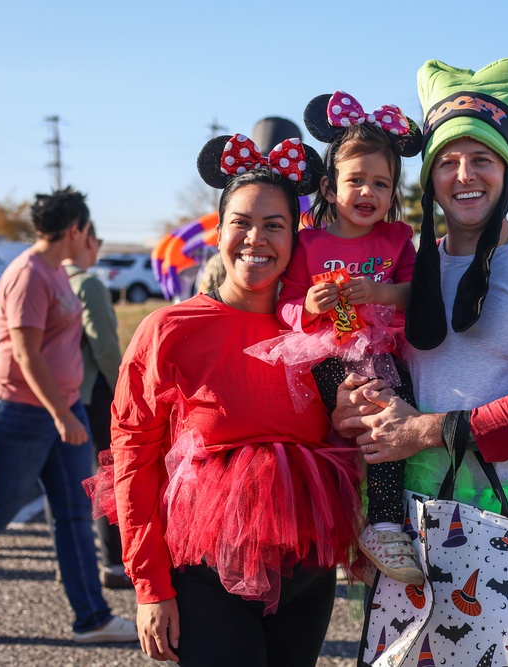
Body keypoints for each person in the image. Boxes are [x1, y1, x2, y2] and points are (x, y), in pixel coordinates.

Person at [335, 58, 508, 666]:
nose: (464, 175)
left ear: (507, 171)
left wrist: (424, 430)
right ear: (430, 176)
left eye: (481, 159)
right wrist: (353, 405)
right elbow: (374, 362)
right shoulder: (405, 268)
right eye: (447, 161)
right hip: (412, 523)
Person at [86, 134, 364, 666]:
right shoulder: (170, 329)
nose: (255, 238)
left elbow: (355, 415)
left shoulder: (323, 325)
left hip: (307, 567)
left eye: (274, 224)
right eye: (240, 222)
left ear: (296, 236)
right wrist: (150, 588)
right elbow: (133, 458)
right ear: (218, 233)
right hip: (205, 570)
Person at [0, 188, 136, 646]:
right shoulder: (28, 274)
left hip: (61, 409)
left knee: (75, 513)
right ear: (74, 229)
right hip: (17, 412)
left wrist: (67, 408)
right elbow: (25, 354)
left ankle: (91, 617)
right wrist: (62, 414)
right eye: (86, 230)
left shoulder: (56, 272)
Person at [252, 91, 423, 585]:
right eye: (356, 181)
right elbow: (283, 304)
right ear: (328, 188)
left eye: (381, 183)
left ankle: (385, 524)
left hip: (380, 350)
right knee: (345, 434)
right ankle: (360, 526)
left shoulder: (396, 239)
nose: (368, 192)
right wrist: (307, 306)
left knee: (391, 414)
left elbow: (415, 293)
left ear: (393, 193)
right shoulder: (308, 243)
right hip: (324, 353)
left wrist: (380, 289)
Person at [62, 223, 130, 589]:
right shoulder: (88, 283)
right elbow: (103, 345)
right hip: (95, 390)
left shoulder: (55, 278)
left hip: (64, 392)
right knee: (108, 474)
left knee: (68, 477)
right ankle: (114, 562)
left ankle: (74, 560)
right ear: (86, 237)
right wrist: (124, 387)